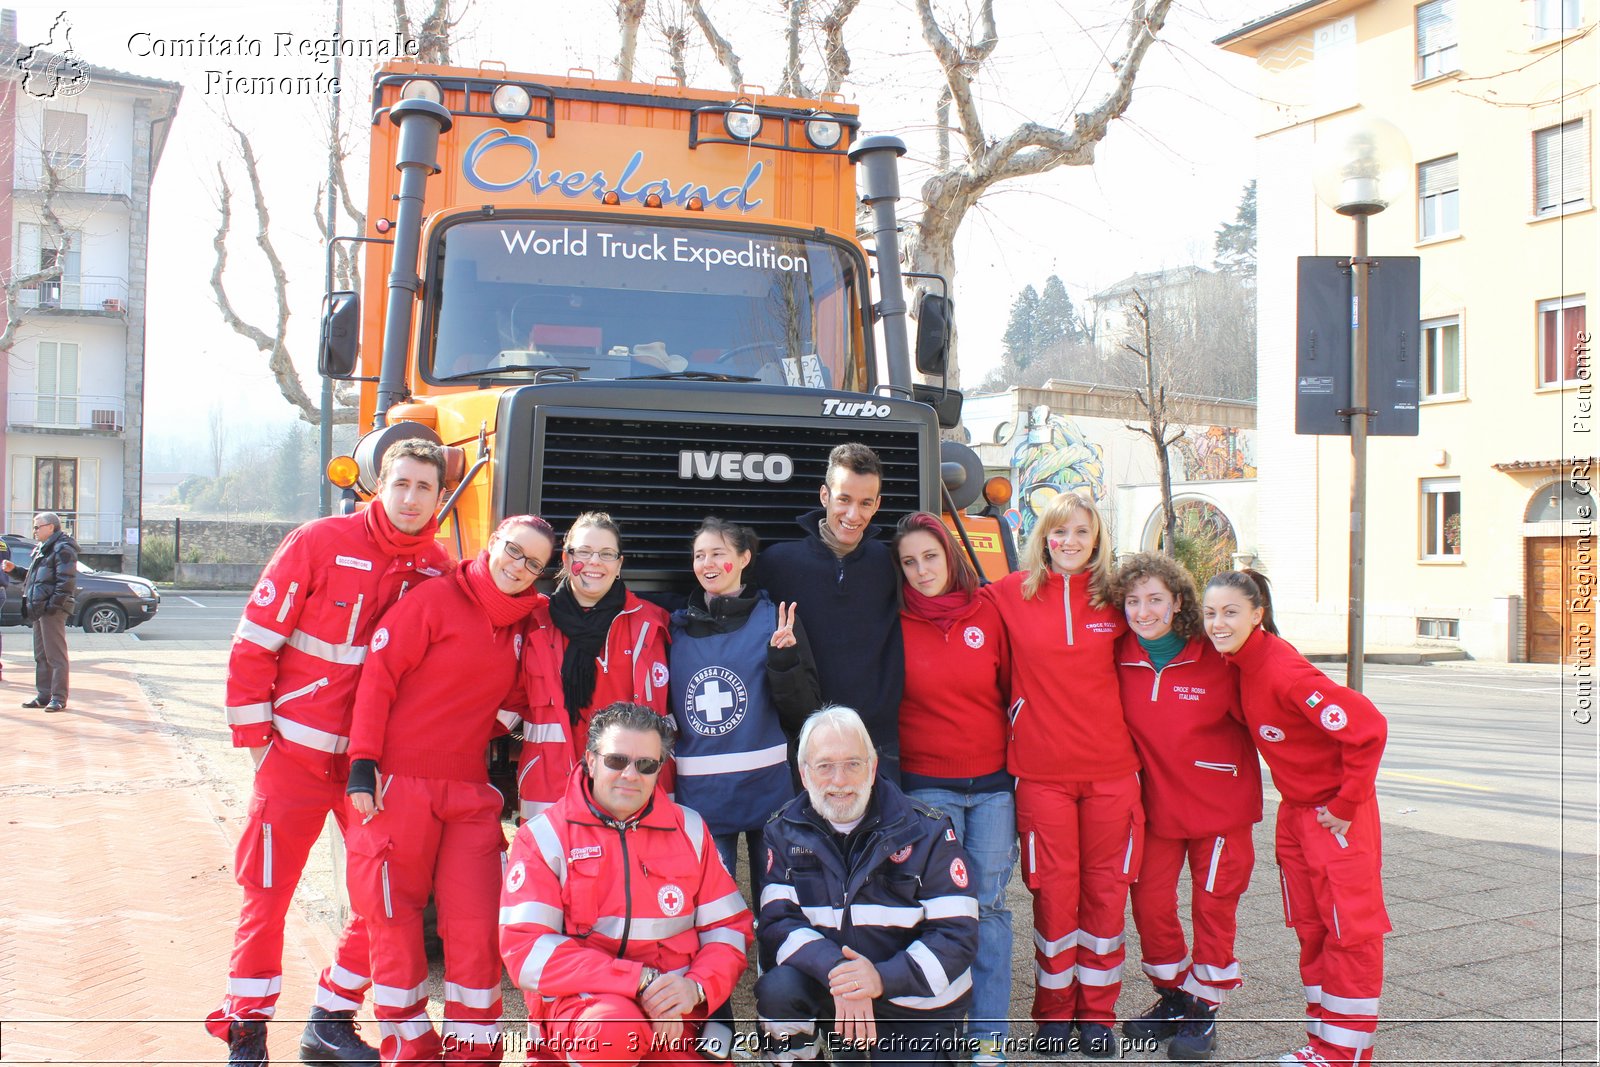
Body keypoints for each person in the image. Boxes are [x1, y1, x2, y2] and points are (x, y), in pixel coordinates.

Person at [207, 440, 453, 1067]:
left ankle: (331, 1016)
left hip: (371, 771)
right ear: (379, 483)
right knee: (266, 895)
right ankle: (247, 1031)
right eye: (400, 483)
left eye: (424, 487)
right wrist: (255, 744)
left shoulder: (438, 570)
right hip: (291, 756)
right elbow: (255, 642)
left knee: (387, 898)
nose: (410, 498)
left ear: (439, 497)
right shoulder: (318, 541)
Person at [343, 516, 555, 1065]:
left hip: (468, 788)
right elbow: (379, 678)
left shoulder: (524, 623)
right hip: (397, 785)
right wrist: (363, 762)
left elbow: (513, 699)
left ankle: (474, 1050)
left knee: (476, 922)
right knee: (394, 918)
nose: (519, 566)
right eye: (513, 551)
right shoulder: (433, 600)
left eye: (534, 562)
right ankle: (408, 1049)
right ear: (492, 544)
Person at [499, 702, 754, 1067]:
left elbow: (728, 929)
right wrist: (637, 980)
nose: (630, 775)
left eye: (646, 765)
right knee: (614, 1031)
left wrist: (695, 987)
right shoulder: (543, 838)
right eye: (616, 761)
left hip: (673, 1014)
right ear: (590, 759)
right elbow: (526, 952)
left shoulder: (691, 829)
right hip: (589, 1013)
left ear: (659, 770)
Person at [1202, 571, 1389, 1067]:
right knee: (1312, 929)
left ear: (1257, 613)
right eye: (1211, 613)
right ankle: (1326, 1043)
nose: (1218, 623)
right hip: (1297, 813)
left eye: (1231, 612)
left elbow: (1367, 729)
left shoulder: (1283, 671)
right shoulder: (1238, 664)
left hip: (1335, 818)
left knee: (1350, 933)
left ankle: (1344, 1053)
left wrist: (1347, 805)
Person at [980, 491, 1138, 1060]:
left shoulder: (1118, 600)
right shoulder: (1009, 595)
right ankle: (1052, 1013)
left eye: (1081, 532)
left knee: (1104, 893)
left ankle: (1097, 1014)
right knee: (1054, 894)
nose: (1069, 542)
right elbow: (943, 609)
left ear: (1097, 539)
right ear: (1042, 537)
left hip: (1112, 774)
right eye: (1058, 532)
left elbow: (1176, 631)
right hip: (1041, 774)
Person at [670, 516, 821, 1058]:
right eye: (699, 556)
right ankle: (716, 1018)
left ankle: (782, 1021)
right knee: (709, 914)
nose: (708, 565)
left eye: (718, 553)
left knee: (777, 908)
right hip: (702, 801)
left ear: (744, 558)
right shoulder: (676, 625)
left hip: (769, 796)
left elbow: (805, 710)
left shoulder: (773, 620)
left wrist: (783, 659)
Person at [756, 706, 978, 1067]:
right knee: (779, 990)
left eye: (853, 764)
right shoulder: (782, 832)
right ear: (804, 773)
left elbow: (957, 935)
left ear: (873, 768)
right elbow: (778, 925)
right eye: (825, 765)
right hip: (830, 986)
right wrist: (841, 975)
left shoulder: (930, 831)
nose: (839, 780)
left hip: (910, 1001)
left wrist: (879, 979)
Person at [1111, 553, 1263, 1061]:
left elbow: (1273, 708)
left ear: (1178, 602)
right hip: (1155, 808)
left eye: (1155, 599)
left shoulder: (1216, 653)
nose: (1144, 610)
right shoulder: (1118, 655)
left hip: (1220, 807)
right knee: (1150, 905)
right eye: (1133, 601)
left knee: (1213, 906)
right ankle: (1175, 996)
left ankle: (1205, 1007)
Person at [891, 512, 1015, 1066]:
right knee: (937, 908)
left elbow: (1014, 689)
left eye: (930, 557)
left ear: (950, 555)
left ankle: (989, 1035)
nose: (922, 571)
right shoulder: (892, 621)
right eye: (910, 562)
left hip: (992, 786)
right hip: (928, 785)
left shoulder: (988, 611)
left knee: (987, 906)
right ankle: (936, 1025)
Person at [512, 511, 672, 822]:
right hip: (550, 789)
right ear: (566, 558)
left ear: (619, 564)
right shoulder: (532, 624)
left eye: (606, 554)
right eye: (583, 552)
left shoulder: (652, 624)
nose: (595, 562)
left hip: (631, 788)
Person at [758, 443, 904, 781]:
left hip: (877, 746)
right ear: (825, 495)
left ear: (877, 504)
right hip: (806, 744)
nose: (854, 515)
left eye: (866, 503)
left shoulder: (891, 564)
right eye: (844, 499)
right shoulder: (778, 563)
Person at [7, 512, 78, 711]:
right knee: (41, 655)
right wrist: (14, 570)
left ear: (51, 527)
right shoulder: (43, 548)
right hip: (39, 608)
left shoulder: (63, 548)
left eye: (37, 527)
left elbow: (66, 583)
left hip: (51, 610)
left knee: (55, 655)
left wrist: (52, 606)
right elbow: (34, 579)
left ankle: (58, 697)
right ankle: (44, 695)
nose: (35, 531)